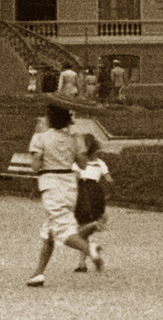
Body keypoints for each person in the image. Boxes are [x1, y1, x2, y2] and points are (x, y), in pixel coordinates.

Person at [25, 104, 98, 286]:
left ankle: (90, 249)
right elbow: (82, 165)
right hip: (69, 186)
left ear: (50, 119)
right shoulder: (74, 139)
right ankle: (38, 273)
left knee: (62, 231)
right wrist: (76, 145)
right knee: (49, 231)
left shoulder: (40, 137)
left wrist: (39, 146)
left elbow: (35, 166)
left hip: (51, 185)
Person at [71, 131, 116, 272]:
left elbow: (75, 179)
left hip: (82, 192)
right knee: (87, 228)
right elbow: (110, 181)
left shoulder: (79, 162)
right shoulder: (100, 163)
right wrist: (108, 194)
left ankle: (83, 261)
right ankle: (82, 262)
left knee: (81, 228)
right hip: (96, 192)